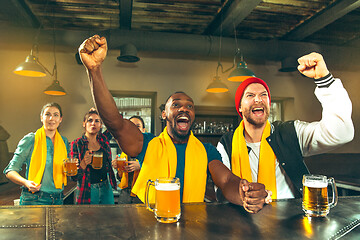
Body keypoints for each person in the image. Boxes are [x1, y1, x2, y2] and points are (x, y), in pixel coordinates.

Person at [78, 35, 270, 213]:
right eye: (176, 105)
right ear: (164, 114)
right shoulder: (146, 144)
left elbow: (227, 180)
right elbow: (115, 123)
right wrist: (94, 70)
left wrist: (245, 192)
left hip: (191, 228)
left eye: (190, 106)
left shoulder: (207, 151)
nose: (184, 109)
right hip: (148, 226)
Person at [216, 52, 354, 200]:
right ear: (240, 107)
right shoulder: (226, 144)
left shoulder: (291, 132)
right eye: (250, 95)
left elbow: (340, 132)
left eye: (264, 95)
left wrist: (324, 79)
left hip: (291, 219)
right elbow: (223, 187)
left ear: (269, 104)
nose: (258, 99)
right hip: (243, 218)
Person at [3, 102, 70, 205]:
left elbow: (64, 171)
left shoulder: (64, 142)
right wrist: (26, 183)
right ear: (41, 118)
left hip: (58, 200)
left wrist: (73, 170)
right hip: (34, 199)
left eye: (55, 115)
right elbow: (10, 171)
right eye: (47, 114)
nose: (51, 118)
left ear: (60, 119)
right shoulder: (30, 139)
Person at [70, 108, 117, 204]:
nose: (93, 123)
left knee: (109, 218)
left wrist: (102, 112)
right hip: (87, 189)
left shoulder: (103, 140)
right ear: (84, 124)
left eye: (97, 121)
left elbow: (116, 122)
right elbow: (73, 177)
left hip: (106, 187)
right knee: (88, 218)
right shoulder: (77, 144)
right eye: (90, 120)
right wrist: (83, 163)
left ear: (101, 125)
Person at [112, 116, 150, 203]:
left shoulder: (152, 147)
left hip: (143, 194)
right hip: (125, 194)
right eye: (131, 126)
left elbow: (159, 171)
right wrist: (118, 169)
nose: (134, 130)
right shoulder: (124, 150)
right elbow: (120, 178)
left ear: (143, 130)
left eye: (137, 126)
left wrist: (141, 166)